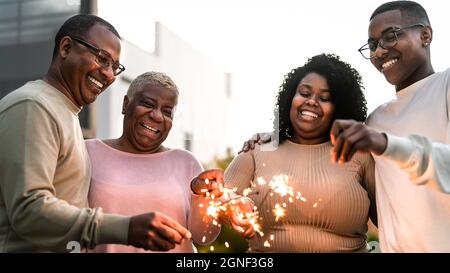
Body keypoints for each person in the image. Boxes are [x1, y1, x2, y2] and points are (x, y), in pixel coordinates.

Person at [0, 15, 190, 252]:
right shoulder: (33, 106)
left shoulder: (64, 113)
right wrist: (126, 228)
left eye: (115, 67)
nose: (109, 74)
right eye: (102, 59)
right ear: (66, 48)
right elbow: (29, 211)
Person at [191, 54, 377, 252]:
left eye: (324, 98)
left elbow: (390, 218)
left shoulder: (359, 154)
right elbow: (221, 200)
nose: (312, 101)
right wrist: (219, 198)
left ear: (340, 109)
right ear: (290, 98)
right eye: (304, 93)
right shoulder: (259, 147)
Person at [329, 1, 450, 252]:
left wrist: (385, 144)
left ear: (425, 35)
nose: (379, 52)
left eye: (390, 36)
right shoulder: (375, 120)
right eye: (372, 45)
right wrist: (266, 140)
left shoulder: (446, 86)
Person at [86, 71, 218, 252]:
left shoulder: (186, 162)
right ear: (126, 104)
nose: (157, 116)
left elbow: (204, 237)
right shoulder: (87, 152)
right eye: (148, 104)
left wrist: (204, 198)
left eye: (167, 111)